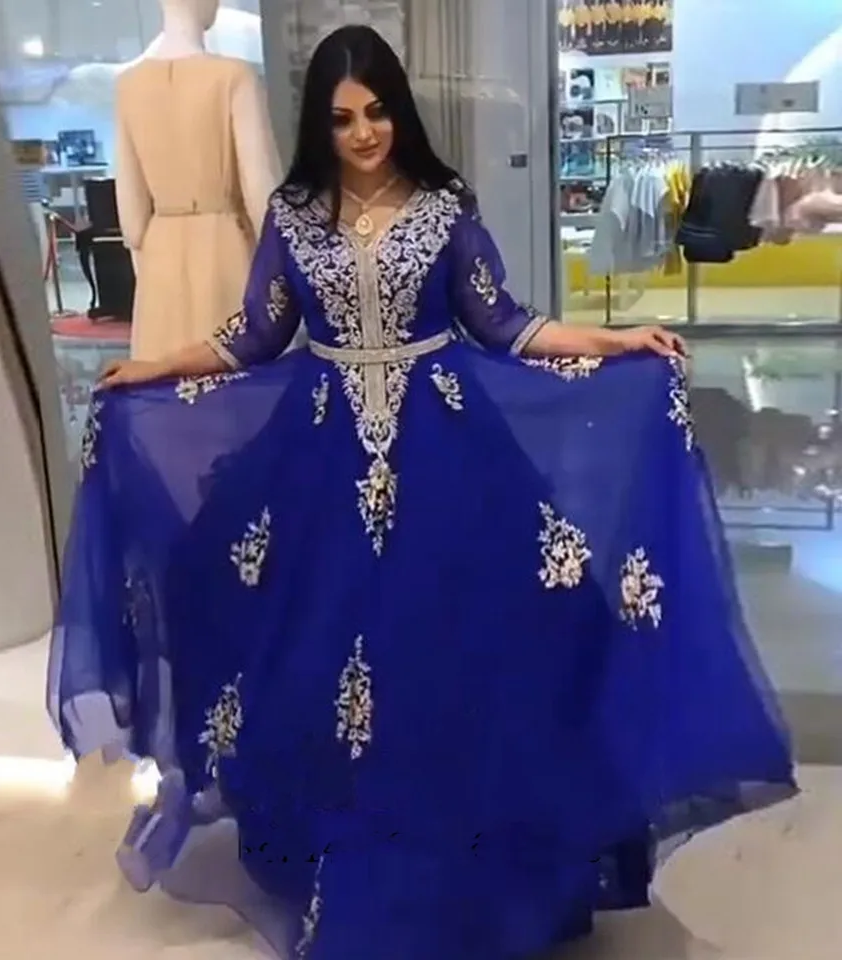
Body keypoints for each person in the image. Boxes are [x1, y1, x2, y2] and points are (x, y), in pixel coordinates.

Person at [49, 24, 795, 960]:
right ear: (319, 125)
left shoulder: (444, 206)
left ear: (398, 108)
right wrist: (154, 366)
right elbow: (254, 335)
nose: (365, 132)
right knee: (309, 650)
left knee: (468, 649)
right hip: (322, 459)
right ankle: (346, 856)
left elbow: (504, 324)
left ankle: (474, 865)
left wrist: (614, 342)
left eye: (377, 111)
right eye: (343, 118)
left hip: (446, 453)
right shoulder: (293, 214)